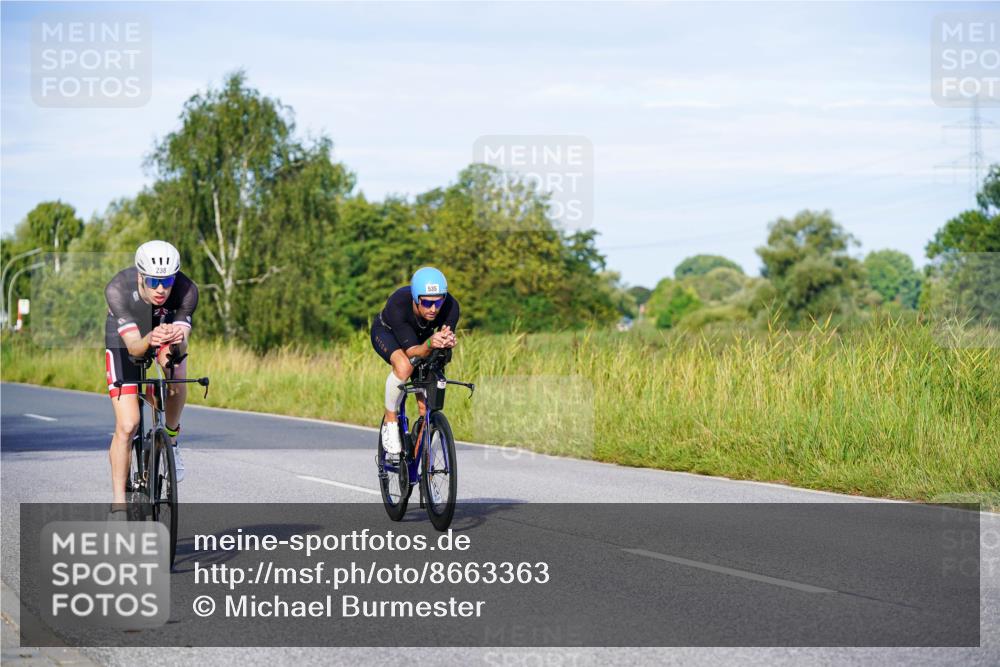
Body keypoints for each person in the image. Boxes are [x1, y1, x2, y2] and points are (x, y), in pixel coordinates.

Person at [104, 240, 198, 507]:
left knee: (176, 370)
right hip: (126, 340)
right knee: (128, 424)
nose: (161, 289)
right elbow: (135, 347)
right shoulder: (118, 289)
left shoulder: (187, 290)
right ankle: (119, 504)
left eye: (167, 281)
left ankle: (170, 440)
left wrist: (176, 339)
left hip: (164, 332)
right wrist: (150, 338)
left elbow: (182, 346)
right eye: (153, 281)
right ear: (140, 277)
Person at [370, 267, 459, 455]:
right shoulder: (398, 303)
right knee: (404, 367)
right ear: (416, 298)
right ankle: (390, 420)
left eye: (438, 302)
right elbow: (412, 353)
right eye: (426, 302)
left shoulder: (451, 306)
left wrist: (446, 342)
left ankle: (421, 451)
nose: (433, 309)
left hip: (421, 338)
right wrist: (431, 343)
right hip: (388, 333)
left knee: (426, 404)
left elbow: (441, 340)